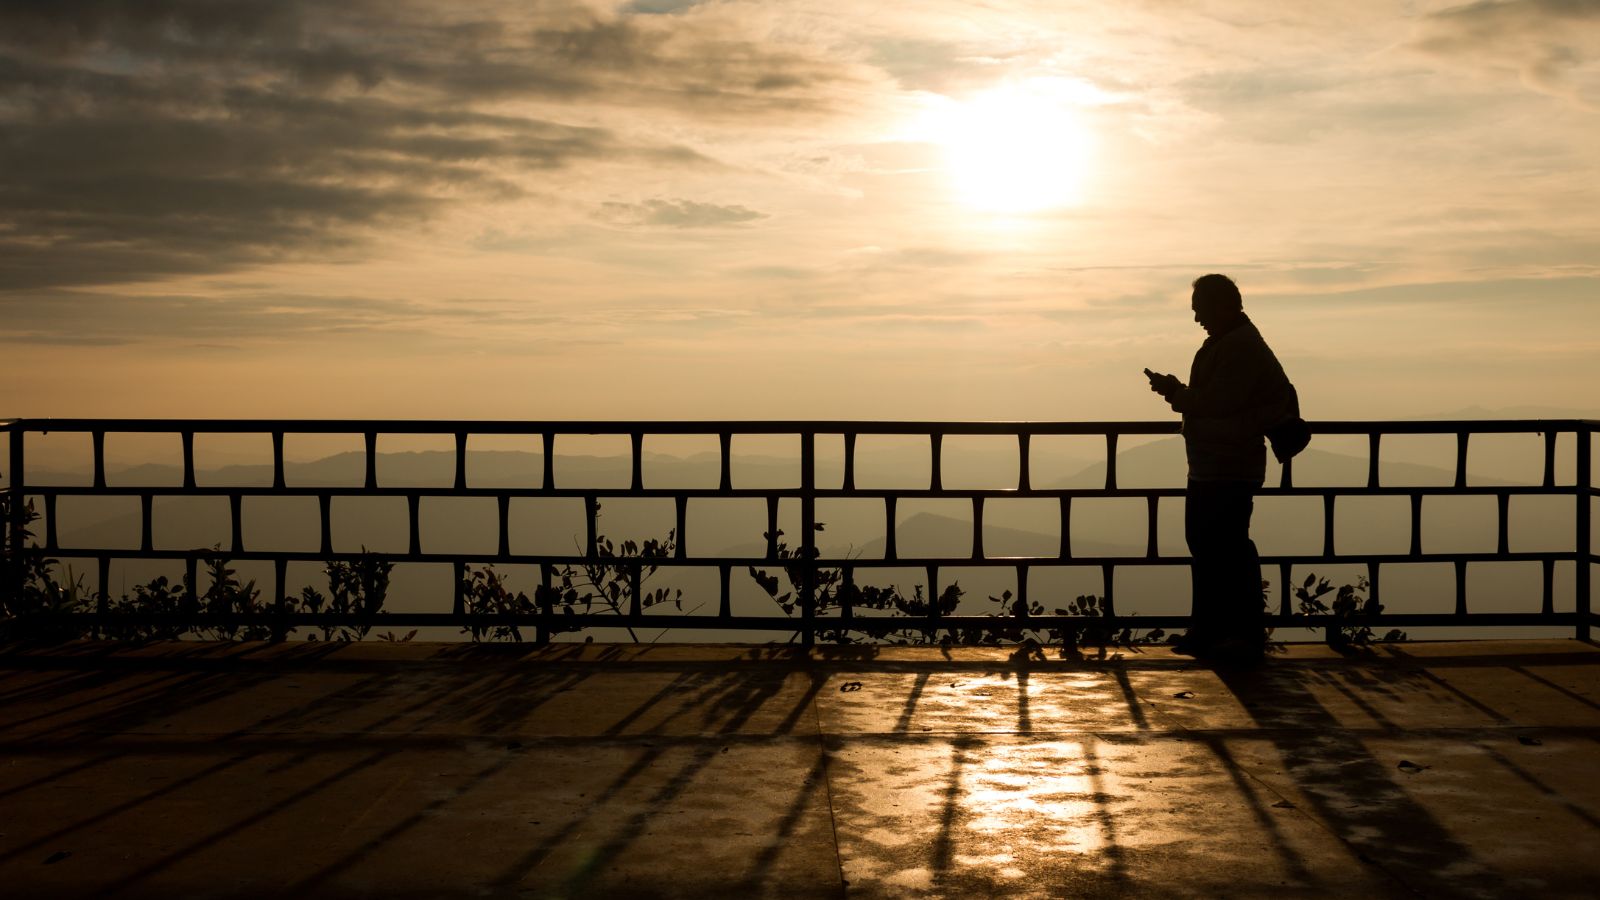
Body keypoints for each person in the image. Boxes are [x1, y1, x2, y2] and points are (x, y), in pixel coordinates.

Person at [1145, 274, 1294, 665]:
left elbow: (1218, 403)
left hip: (1229, 465)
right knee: (1209, 546)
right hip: (1213, 465)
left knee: (1226, 548)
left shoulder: (1240, 347)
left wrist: (1176, 393)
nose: (1197, 319)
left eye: (1200, 310)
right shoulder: (1230, 343)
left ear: (1223, 305)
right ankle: (1210, 630)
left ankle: (1241, 635)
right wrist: (1179, 392)